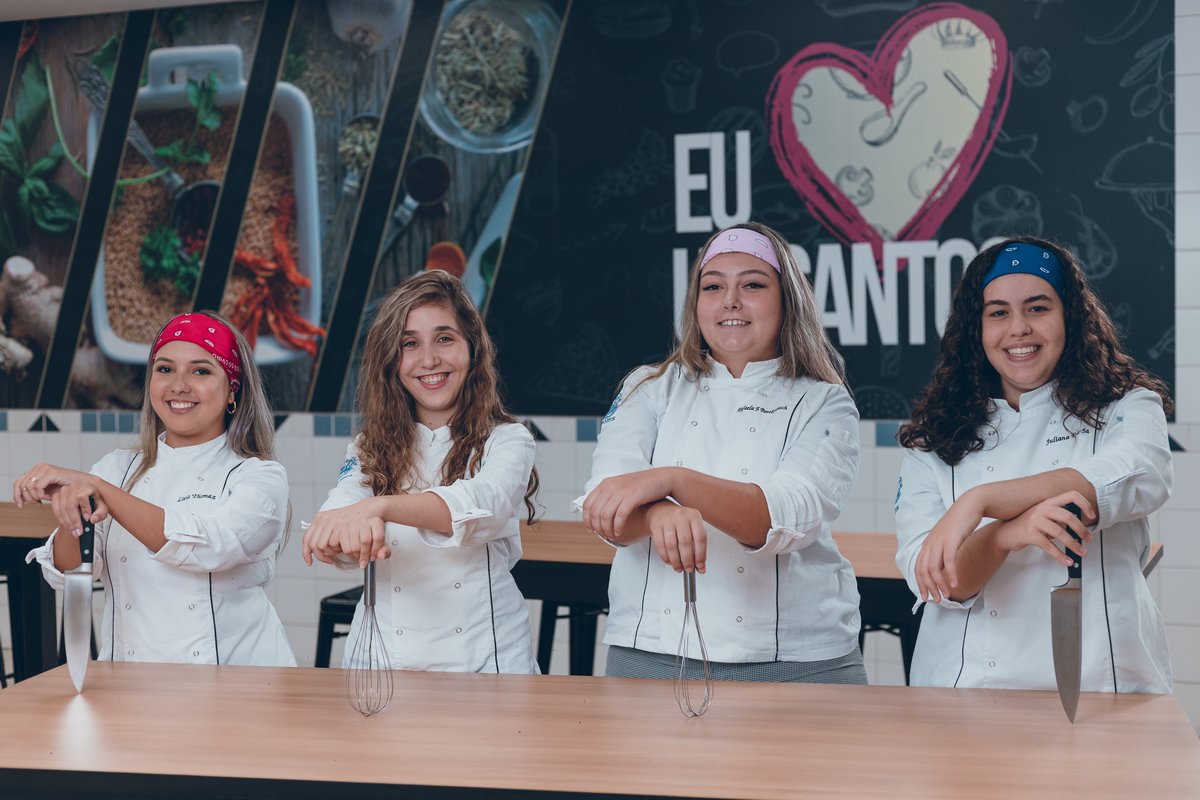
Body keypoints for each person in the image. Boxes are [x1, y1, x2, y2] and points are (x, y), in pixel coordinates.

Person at [577, 222, 864, 683]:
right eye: (713, 287)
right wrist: (656, 516)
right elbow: (607, 503)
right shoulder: (647, 388)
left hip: (796, 661)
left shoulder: (825, 401)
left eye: (752, 284)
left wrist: (674, 482)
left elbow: (785, 517)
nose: (731, 300)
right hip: (650, 651)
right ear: (695, 305)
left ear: (787, 301)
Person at [895, 236, 1173, 692]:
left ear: (1070, 318)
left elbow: (1141, 475)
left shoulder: (1127, 407)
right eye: (998, 312)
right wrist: (1006, 534)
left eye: (1038, 308)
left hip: (1102, 688)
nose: (1018, 328)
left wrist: (979, 500)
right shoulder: (934, 437)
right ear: (976, 329)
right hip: (966, 694)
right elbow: (939, 583)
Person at [19, 312, 295, 667]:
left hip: (235, 682)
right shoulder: (116, 469)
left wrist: (98, 489)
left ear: (233, 389)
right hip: (130, 681)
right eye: (165, 369)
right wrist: (72, 511)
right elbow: (73, 573)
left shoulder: (259, 476)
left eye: (200, 371)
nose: (179, 385)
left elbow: (210, 546)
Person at [302, 271, 538, 674]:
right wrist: (334, 538)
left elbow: (481, 507)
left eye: (444, 338)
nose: (429, 360)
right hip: (380, 661)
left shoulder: (509, 440)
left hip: (483, 661)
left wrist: (378, 508)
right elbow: (343, 507)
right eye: (410, 344)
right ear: (392, 361)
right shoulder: (367, 446)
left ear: (472, 349)